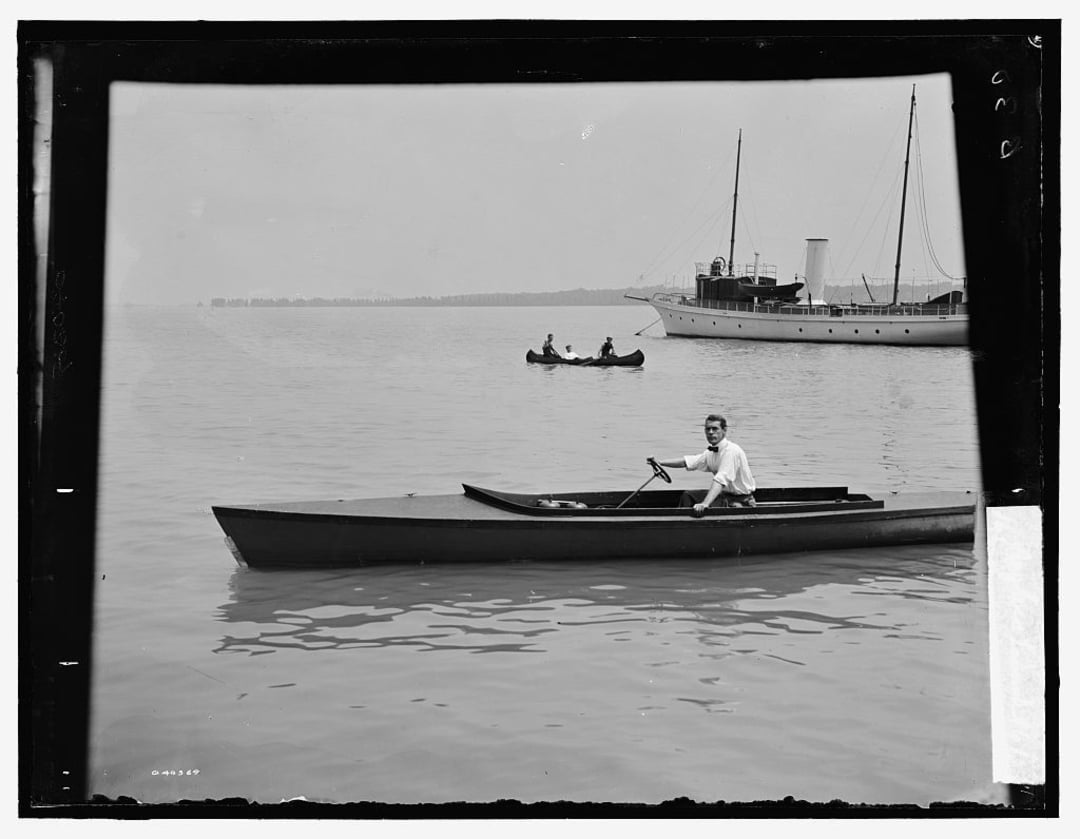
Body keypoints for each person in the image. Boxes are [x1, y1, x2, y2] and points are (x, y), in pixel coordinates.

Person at [652, 414, 756, 514]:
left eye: (715, 429)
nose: (710, 432)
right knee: (688, 495)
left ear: (724, 431)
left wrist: (705, 503)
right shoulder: (710, 453)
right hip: (724, 497)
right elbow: (688, 461)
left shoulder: (731, 451)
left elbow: (720, 480)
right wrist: (660, 463)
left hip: (741, 502)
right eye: (708, 429)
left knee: (706, 506)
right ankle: (682, 523)